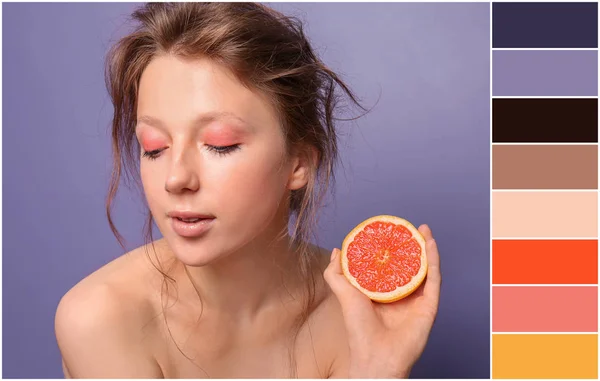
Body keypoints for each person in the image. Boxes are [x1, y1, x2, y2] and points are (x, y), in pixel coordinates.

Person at [54, 2, 441, 378]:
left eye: (219, 144)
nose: (176, 179)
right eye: (154, 148)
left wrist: (379, 372)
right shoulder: (101, 318)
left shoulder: (354, 315)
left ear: (299, 163)